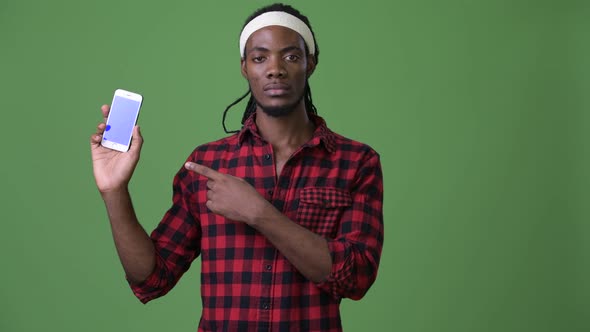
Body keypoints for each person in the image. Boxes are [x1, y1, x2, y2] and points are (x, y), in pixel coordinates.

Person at [90, 3, 384, 331]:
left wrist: (259, 213)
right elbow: (152, 278)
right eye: (260, 58)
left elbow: (356, 278)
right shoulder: (207, 165)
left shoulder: (357, 162)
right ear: (245, 68)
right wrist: (115, 191)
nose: (275, 69)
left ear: (310, 64)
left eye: (291, 56)